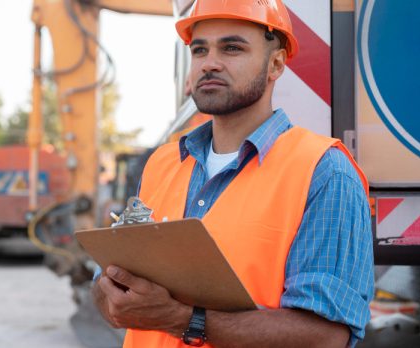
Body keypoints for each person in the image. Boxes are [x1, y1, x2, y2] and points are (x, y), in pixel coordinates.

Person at [91, 0, 374, 347]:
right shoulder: (163, 164)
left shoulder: (323, 171)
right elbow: (107, 288)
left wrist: (180, 319)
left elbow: (325, 337)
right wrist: (111, 296)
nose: (210, 63)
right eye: (199, 50)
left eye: (232, 48)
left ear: (275, 64)